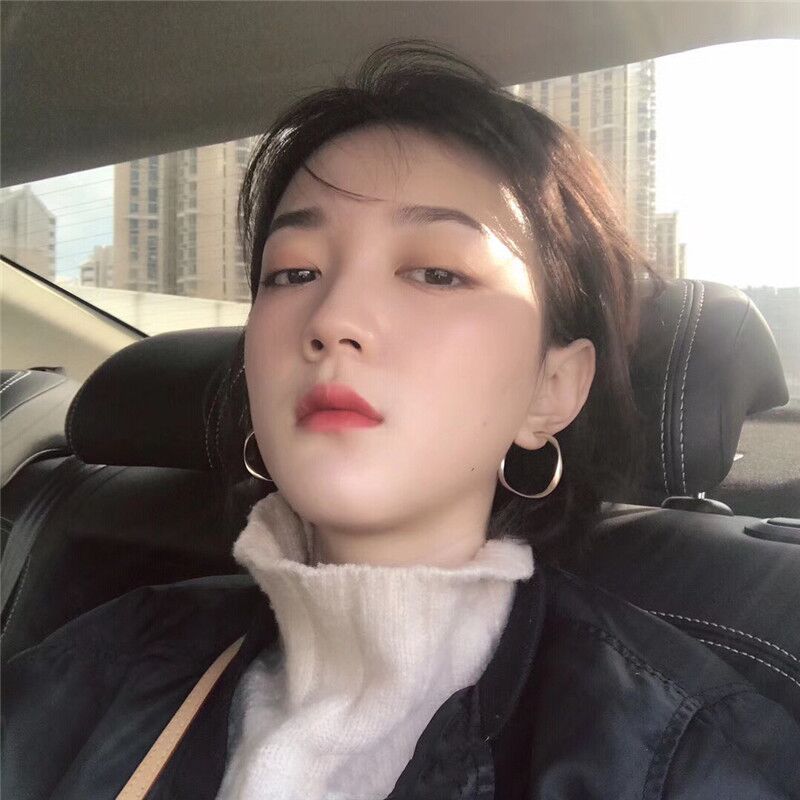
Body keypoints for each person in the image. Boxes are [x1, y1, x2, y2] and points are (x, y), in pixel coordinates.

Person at [3, 40, 800, 800]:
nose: (333, 318)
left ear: (551, 388)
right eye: (294, 273)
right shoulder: (86, 676)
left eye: (436, 273)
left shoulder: (679, 762)